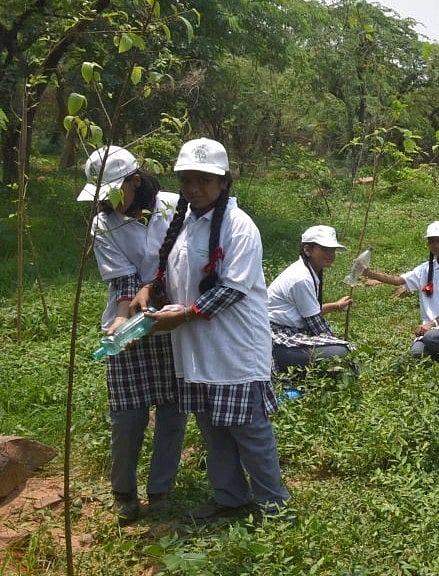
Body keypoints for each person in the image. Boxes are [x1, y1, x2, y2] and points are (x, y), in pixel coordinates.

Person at [132, 138, 290, 522]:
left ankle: (275, 506)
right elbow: (176, 272)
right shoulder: (184, 223)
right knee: (213, 430)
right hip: (195, 350)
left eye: (205, 180)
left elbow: (232, 289)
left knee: (250, 431)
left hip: (234, 350)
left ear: (224, 182)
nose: (195, 189)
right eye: (188, 180)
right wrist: (149, 289)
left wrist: (181, 317)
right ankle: (230, 498)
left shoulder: (240, 226)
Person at [79, 145, 187, 524]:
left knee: (173, 412)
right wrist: (123, 320)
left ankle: (161, 491)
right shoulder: (104, 223)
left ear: (134, 182)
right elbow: (124, 280)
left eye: (112, 193)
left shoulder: (176, 208)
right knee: (128, 416)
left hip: (173, 320)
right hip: (132, 325)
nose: (106, 203)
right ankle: (123, 491)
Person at [361, 221, 439, 361]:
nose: (436, 245)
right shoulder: (425, 269)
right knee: (416, 353)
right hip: (431, 327)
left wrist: (432, 324)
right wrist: (370, 273)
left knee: (432, 338)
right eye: (432, 241)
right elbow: (398, 280)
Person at [267, 225, 355, 374]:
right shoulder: (301, 278)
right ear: (307, 250)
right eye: (325, 249)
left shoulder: (309, 271)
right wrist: (334, 341)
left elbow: (307, 309)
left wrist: (336, 306)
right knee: (344, 351)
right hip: (277, 338)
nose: (331, 254)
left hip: (287, 331)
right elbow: (316, 325)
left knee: (340, 350)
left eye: (332, 250)